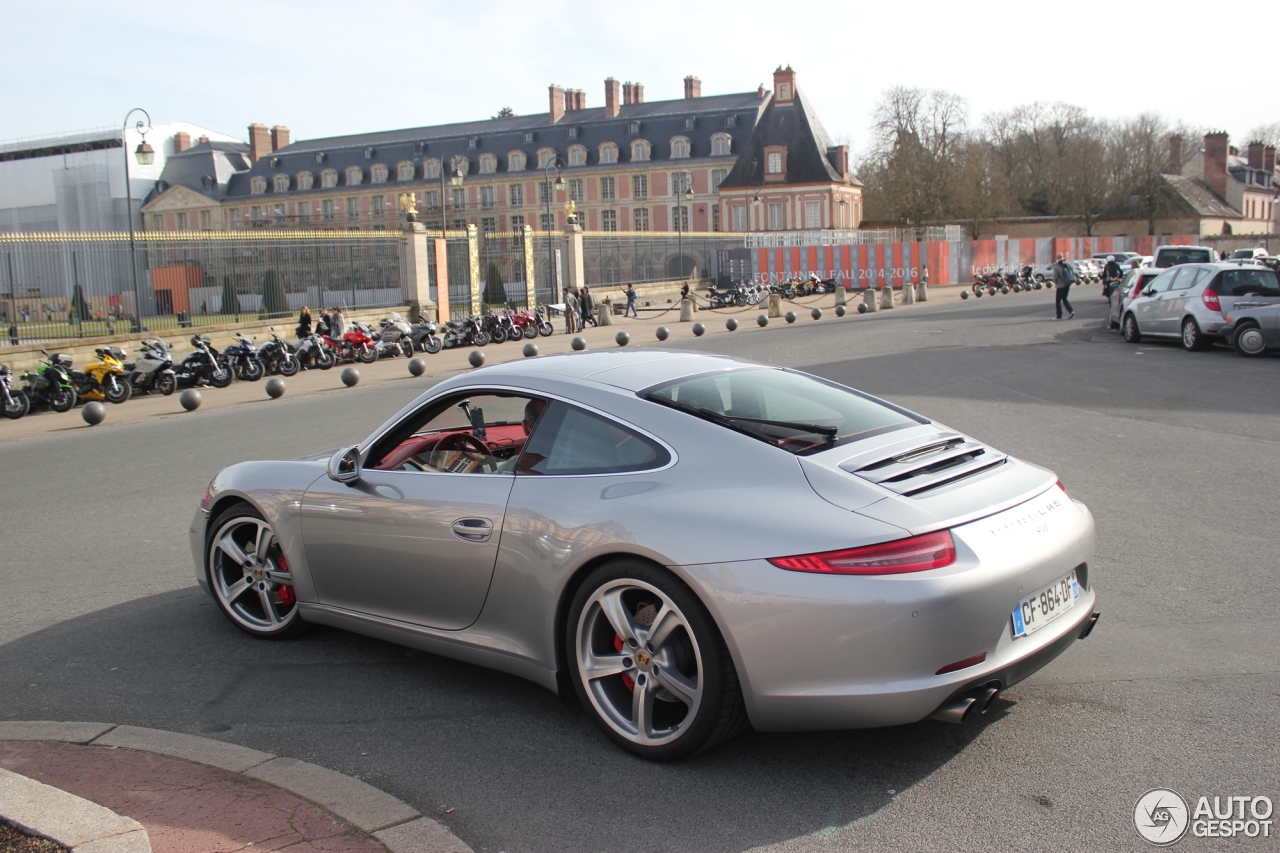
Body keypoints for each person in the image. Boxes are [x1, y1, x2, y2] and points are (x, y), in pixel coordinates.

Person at [1052, 254, 1075, 320]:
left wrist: (1055, 282)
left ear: (1057, 258)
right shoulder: (1068, 264)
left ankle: (1059, 316)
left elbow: (1055, 277)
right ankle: (1071, 311)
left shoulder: (1057, 266)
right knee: (1064, 298)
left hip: (1060, 285)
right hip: (1067, 283)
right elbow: (1072, 273)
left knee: (1058, 301)